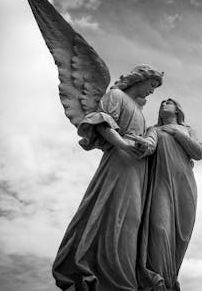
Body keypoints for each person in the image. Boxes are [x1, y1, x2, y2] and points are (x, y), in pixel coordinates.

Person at [52, 65, 164, 291]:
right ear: (140, 79)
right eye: (152, 85)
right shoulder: (116, 96)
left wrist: (144, 147)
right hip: (120, 161)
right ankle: (106, 277)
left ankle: (124, 277)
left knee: (131, 220)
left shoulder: (140, 112)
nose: (153, 91)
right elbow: (102, 123)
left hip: (137, 167)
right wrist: (124, 145)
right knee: (113, 213)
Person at [137, 99, 202, 291]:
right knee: (159, 229)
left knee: (181, 235)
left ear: (177, 109)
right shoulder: (154, 130)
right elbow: (150, 144)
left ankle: (170, 278)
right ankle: (157, 282)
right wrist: (142, 144)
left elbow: (199, 152)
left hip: (185, 185)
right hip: (161, 184)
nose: (163, 104)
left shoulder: (187, 129)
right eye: (162, 103)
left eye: (169, 102)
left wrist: (176, 133)